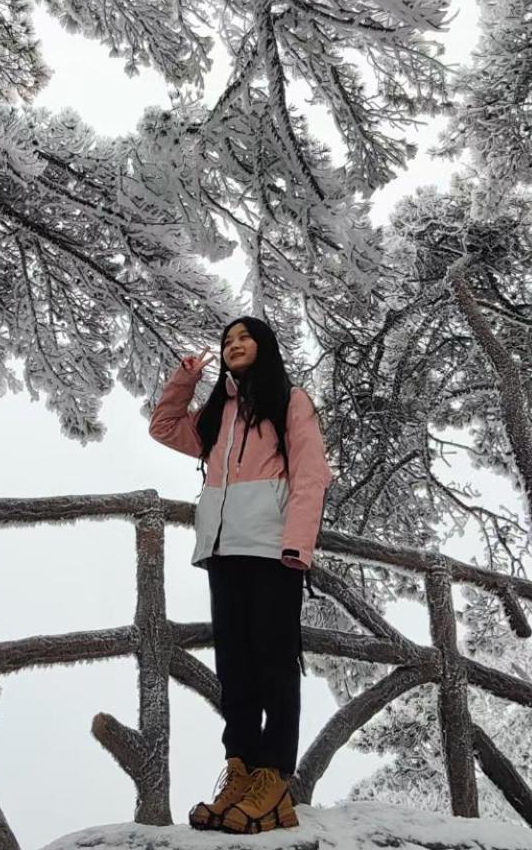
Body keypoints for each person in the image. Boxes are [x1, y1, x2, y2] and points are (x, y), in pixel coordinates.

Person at [149, 316, 331, 834]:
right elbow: (163, 428)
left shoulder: (288, 401)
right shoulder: (218, 413)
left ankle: (274, 778)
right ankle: (240, 771)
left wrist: (297, 543)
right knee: (235, 667)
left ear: (264, 346)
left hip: (273, 550)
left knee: (274, 662)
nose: (234, 345)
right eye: (228, 340)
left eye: (244, 337)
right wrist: (184, 380)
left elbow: (312, 473)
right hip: (224, 550)